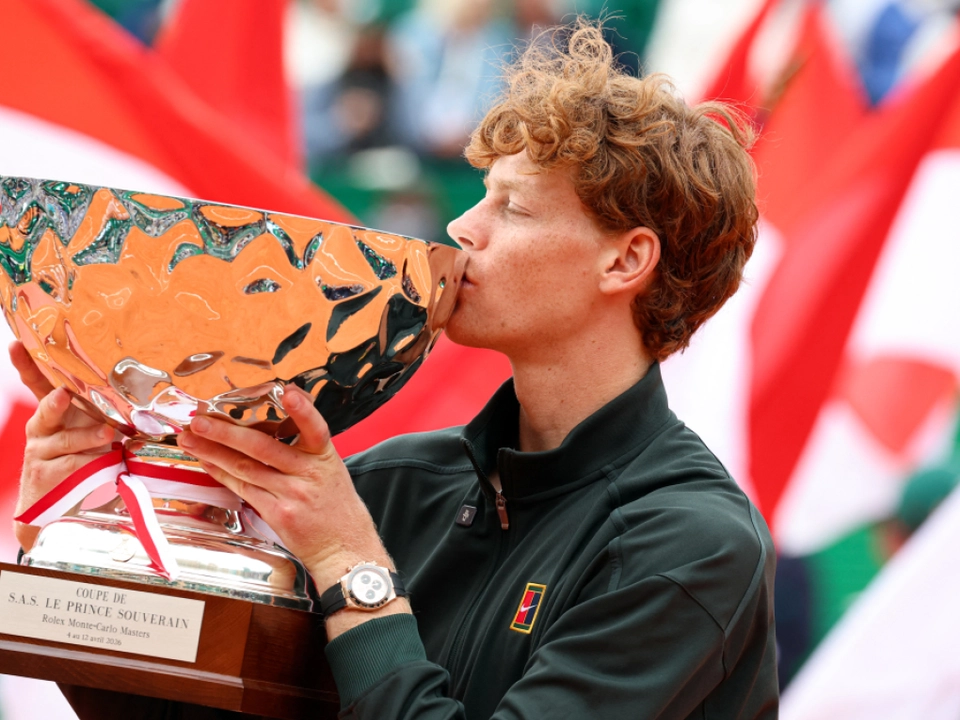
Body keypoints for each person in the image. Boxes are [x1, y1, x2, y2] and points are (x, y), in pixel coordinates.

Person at [11, 20, 779, 719]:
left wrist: (353, 571)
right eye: (482, 194)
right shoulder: (395, 482)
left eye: (512, 209)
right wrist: (73, 542)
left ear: (625, 259)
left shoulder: (692, 543)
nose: (460, 227)